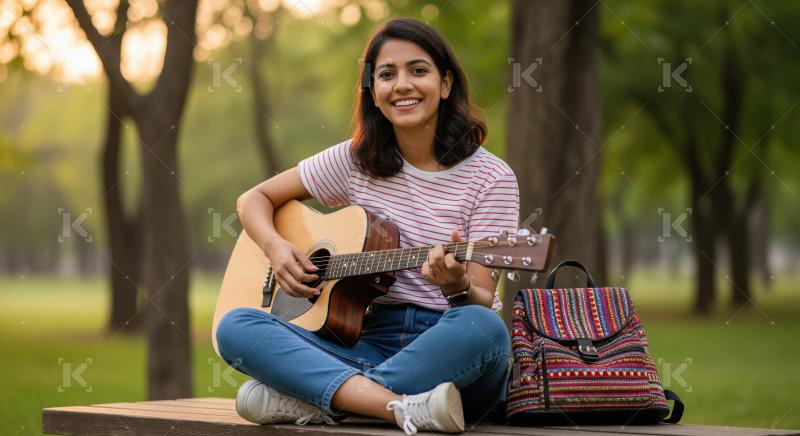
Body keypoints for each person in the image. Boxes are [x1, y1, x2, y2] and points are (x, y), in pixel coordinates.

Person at [216, 17, 520, 435]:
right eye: (386, 74)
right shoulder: (355, 161)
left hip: (449, 350)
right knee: (236, 326)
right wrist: (275, 248)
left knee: (485, 330)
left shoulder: (491, 178)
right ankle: (398, 406)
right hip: (364, 338)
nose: (402, 85)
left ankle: (328, 399)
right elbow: (254, 199)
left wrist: (455, 286)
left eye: (418, 70)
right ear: (373, 93)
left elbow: (481, 300)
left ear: (446, 84)